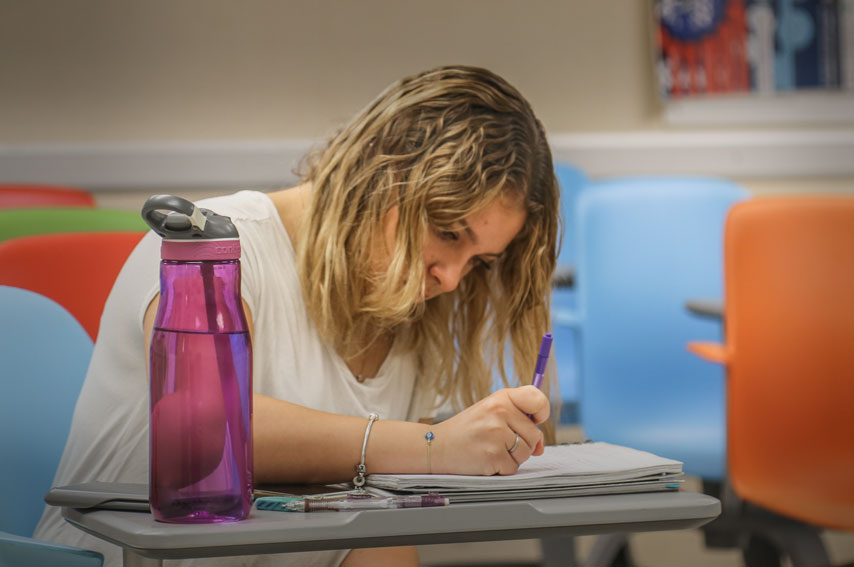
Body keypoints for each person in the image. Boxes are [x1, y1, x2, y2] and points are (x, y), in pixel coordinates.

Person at [35, 64, 560, 567]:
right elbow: (207, 428)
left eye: (480, 262)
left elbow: (368, 538)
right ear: (383, 176)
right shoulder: (209, 249)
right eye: (447, 232)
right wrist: (434, 448)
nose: (450, 278)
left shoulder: (415, 309)